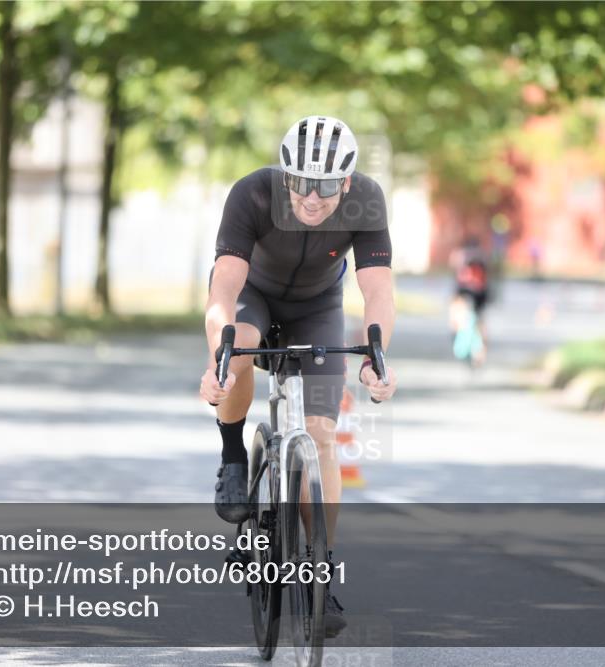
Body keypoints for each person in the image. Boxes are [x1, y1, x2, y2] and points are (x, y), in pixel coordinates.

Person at [199, 116, 398, 636]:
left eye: (327, 186)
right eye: (302, 183)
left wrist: (377, 355)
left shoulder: (368, 200)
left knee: (323, 433)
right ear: (285, 176)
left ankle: (318, 572)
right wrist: (216, 360)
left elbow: (377, 292)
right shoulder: (253, 195)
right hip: (254, 298)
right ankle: (233, 455)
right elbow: (223, 289)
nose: (313, 197)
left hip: (318, 307)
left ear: (347, 183)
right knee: (238, 351)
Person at [448, 237, 490, 363]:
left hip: (464, 292)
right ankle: (481, 351)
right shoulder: (483, 256)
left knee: (456, 315)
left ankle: (457, 337)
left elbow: (454, 269)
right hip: (480, 293)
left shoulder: (460, 255)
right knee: (480, 321)